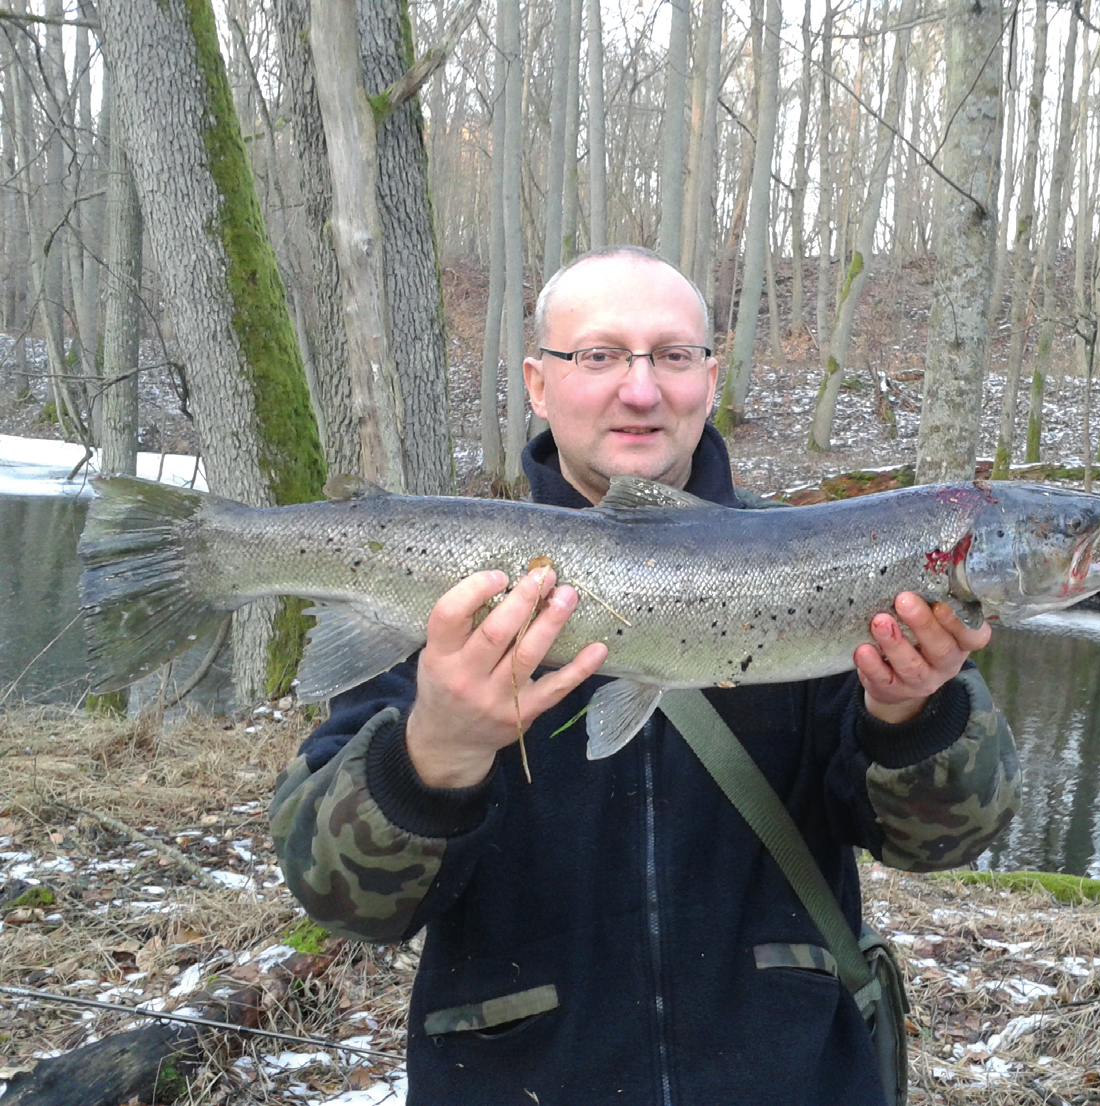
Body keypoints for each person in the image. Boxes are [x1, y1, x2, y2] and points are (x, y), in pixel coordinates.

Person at [270, 245, 1021, 1105]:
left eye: (671, 355)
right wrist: (433, 754)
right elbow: (338, 902)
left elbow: (946, 845)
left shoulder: (837, 571)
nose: (639, 389)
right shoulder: (446, 587)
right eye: (598, 355)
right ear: (538, 383)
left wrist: (913, 717)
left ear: (709, 375)